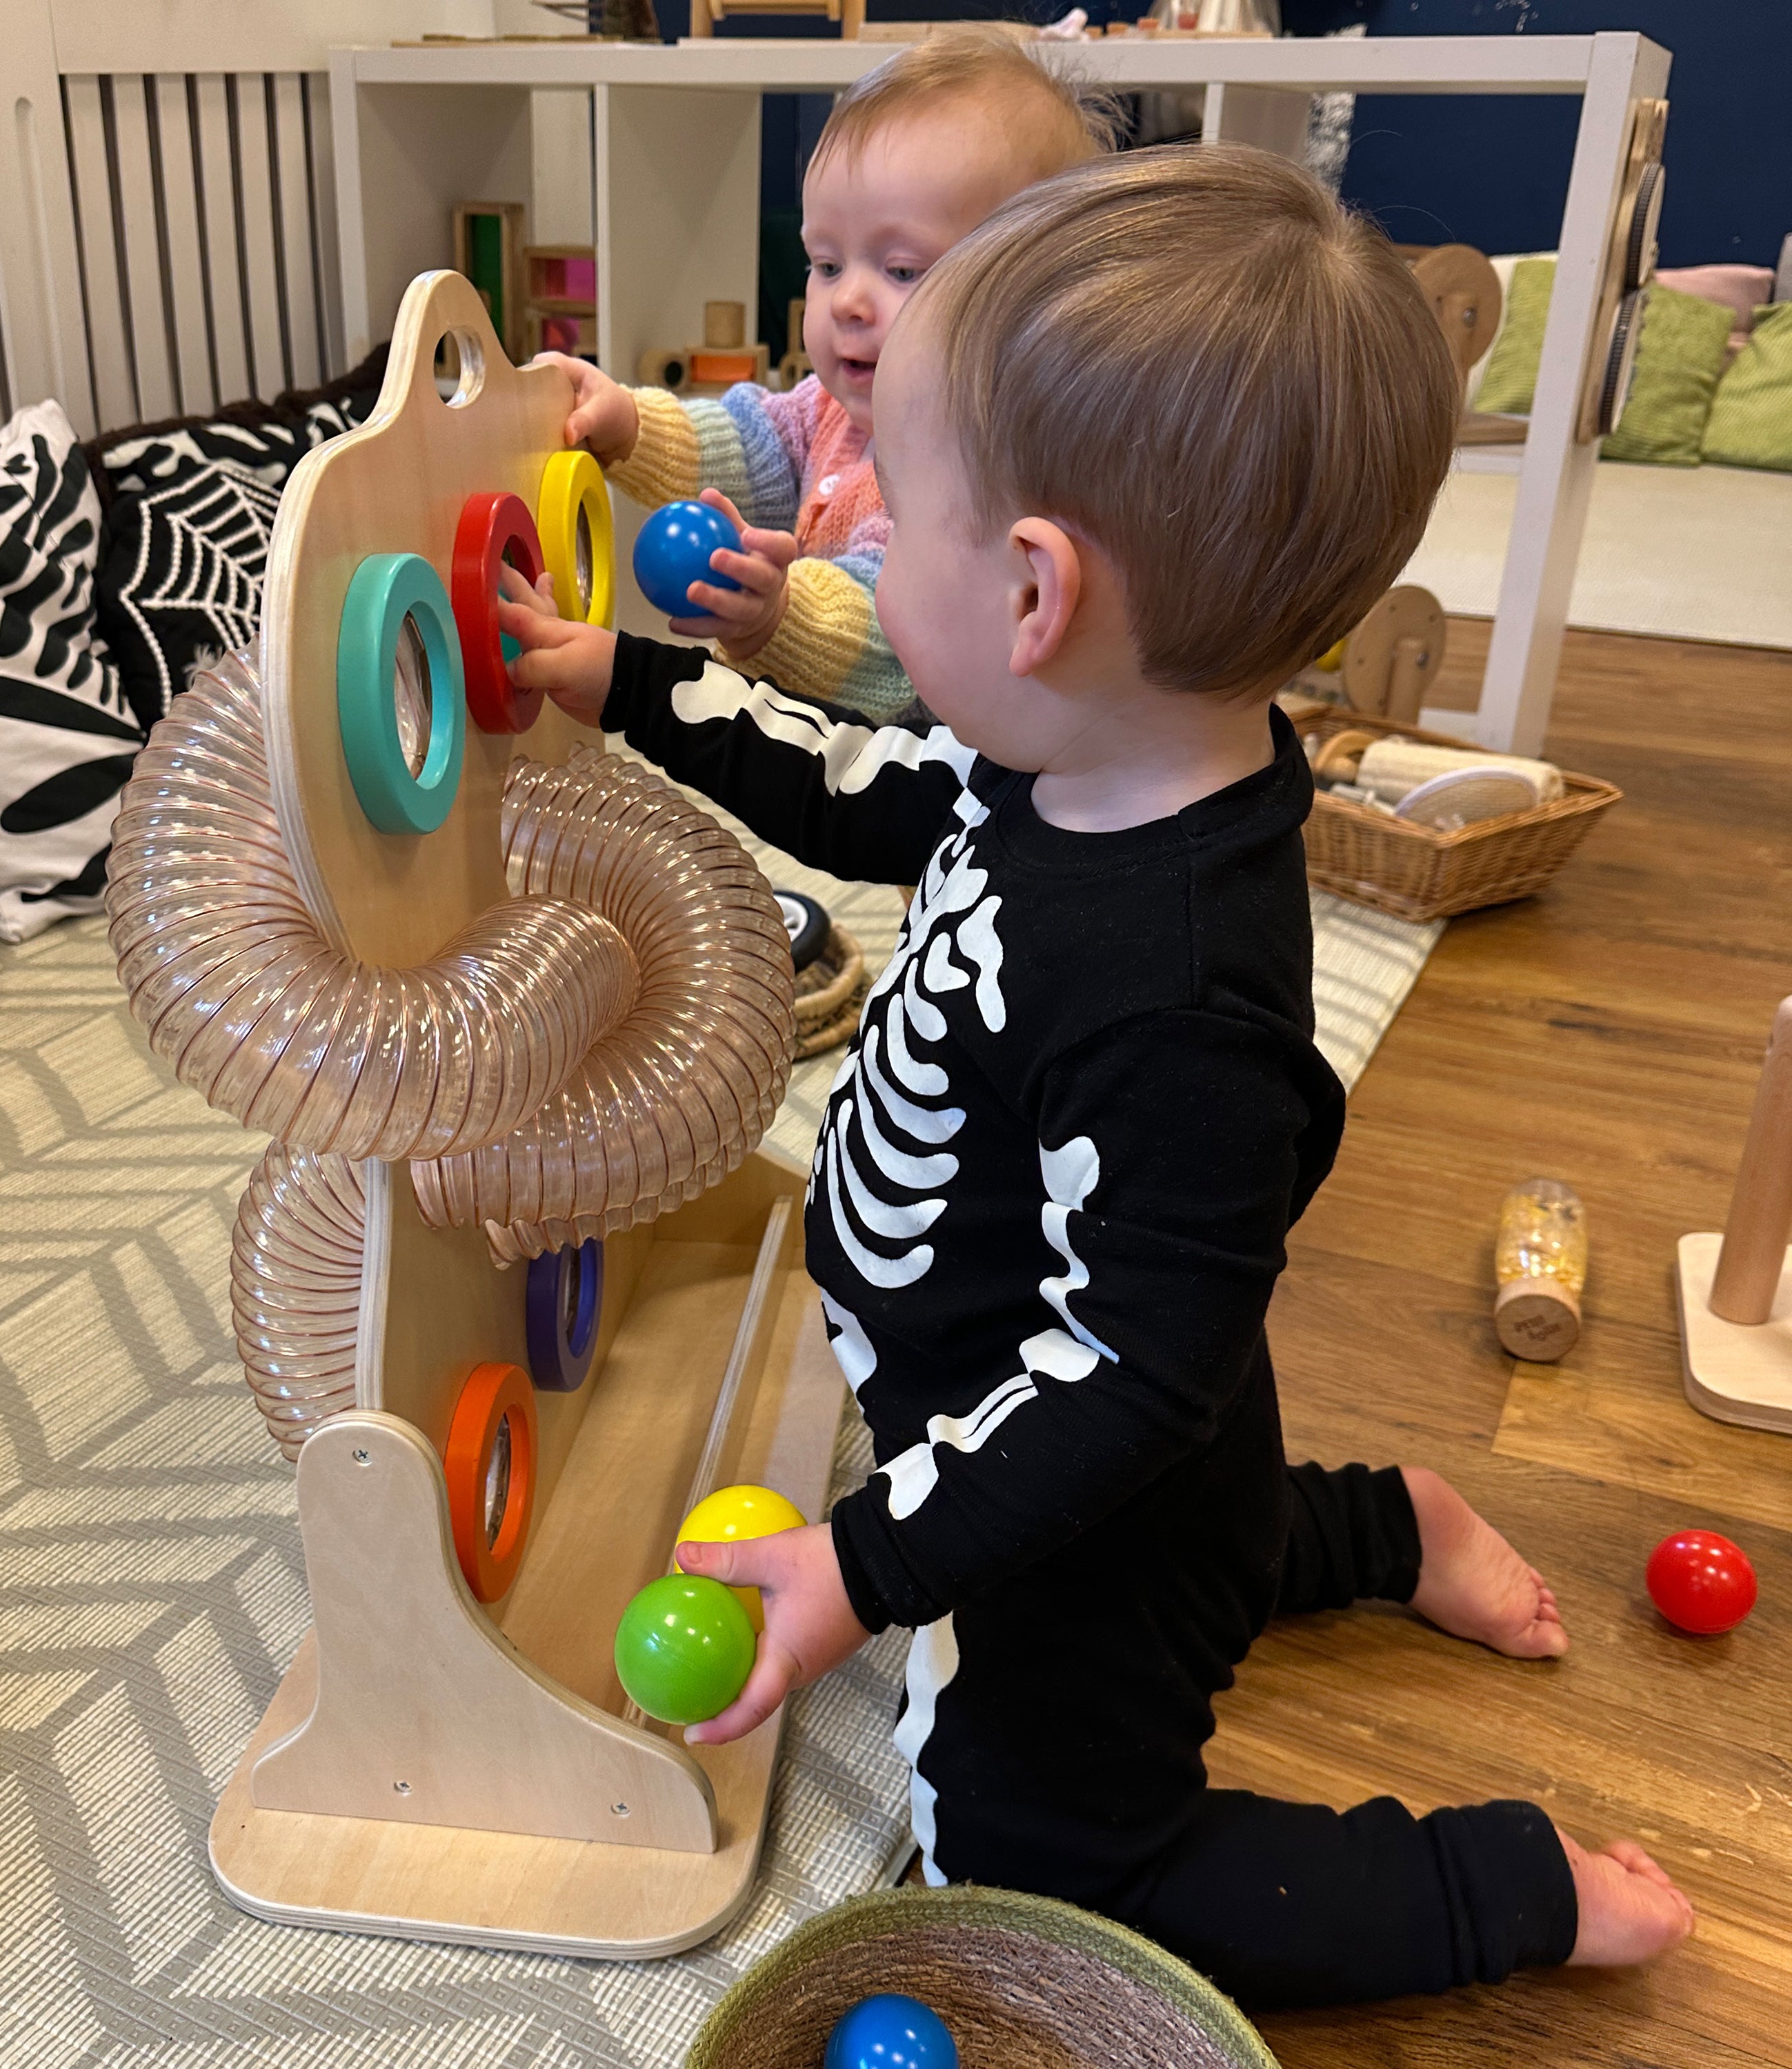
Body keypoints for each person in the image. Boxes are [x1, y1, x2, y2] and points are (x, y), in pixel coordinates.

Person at [495, 148, 1694, 2006]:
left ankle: (1510, 1893)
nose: (859, 561)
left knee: (1041, 1855)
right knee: (1220, 1516)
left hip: (1076, 1471)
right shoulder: (1083, 758)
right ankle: (1391, 1527)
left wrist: (864, 1569)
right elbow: (873, 796)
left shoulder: (1186, 1002)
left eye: (895, 530)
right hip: (1118, 1422)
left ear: (1034, 594)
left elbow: (1127, 1388)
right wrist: (625, 691)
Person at [538, 30, 1108, 722]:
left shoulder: (996, 470)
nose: (845, 302)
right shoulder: (837, 412)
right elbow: (753, 444)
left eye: (901, 269)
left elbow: (892, 625)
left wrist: (776, 616)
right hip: (822, 757)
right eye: (828, 265)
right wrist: (628, 426)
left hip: (922, 788)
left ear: (1032, 300)